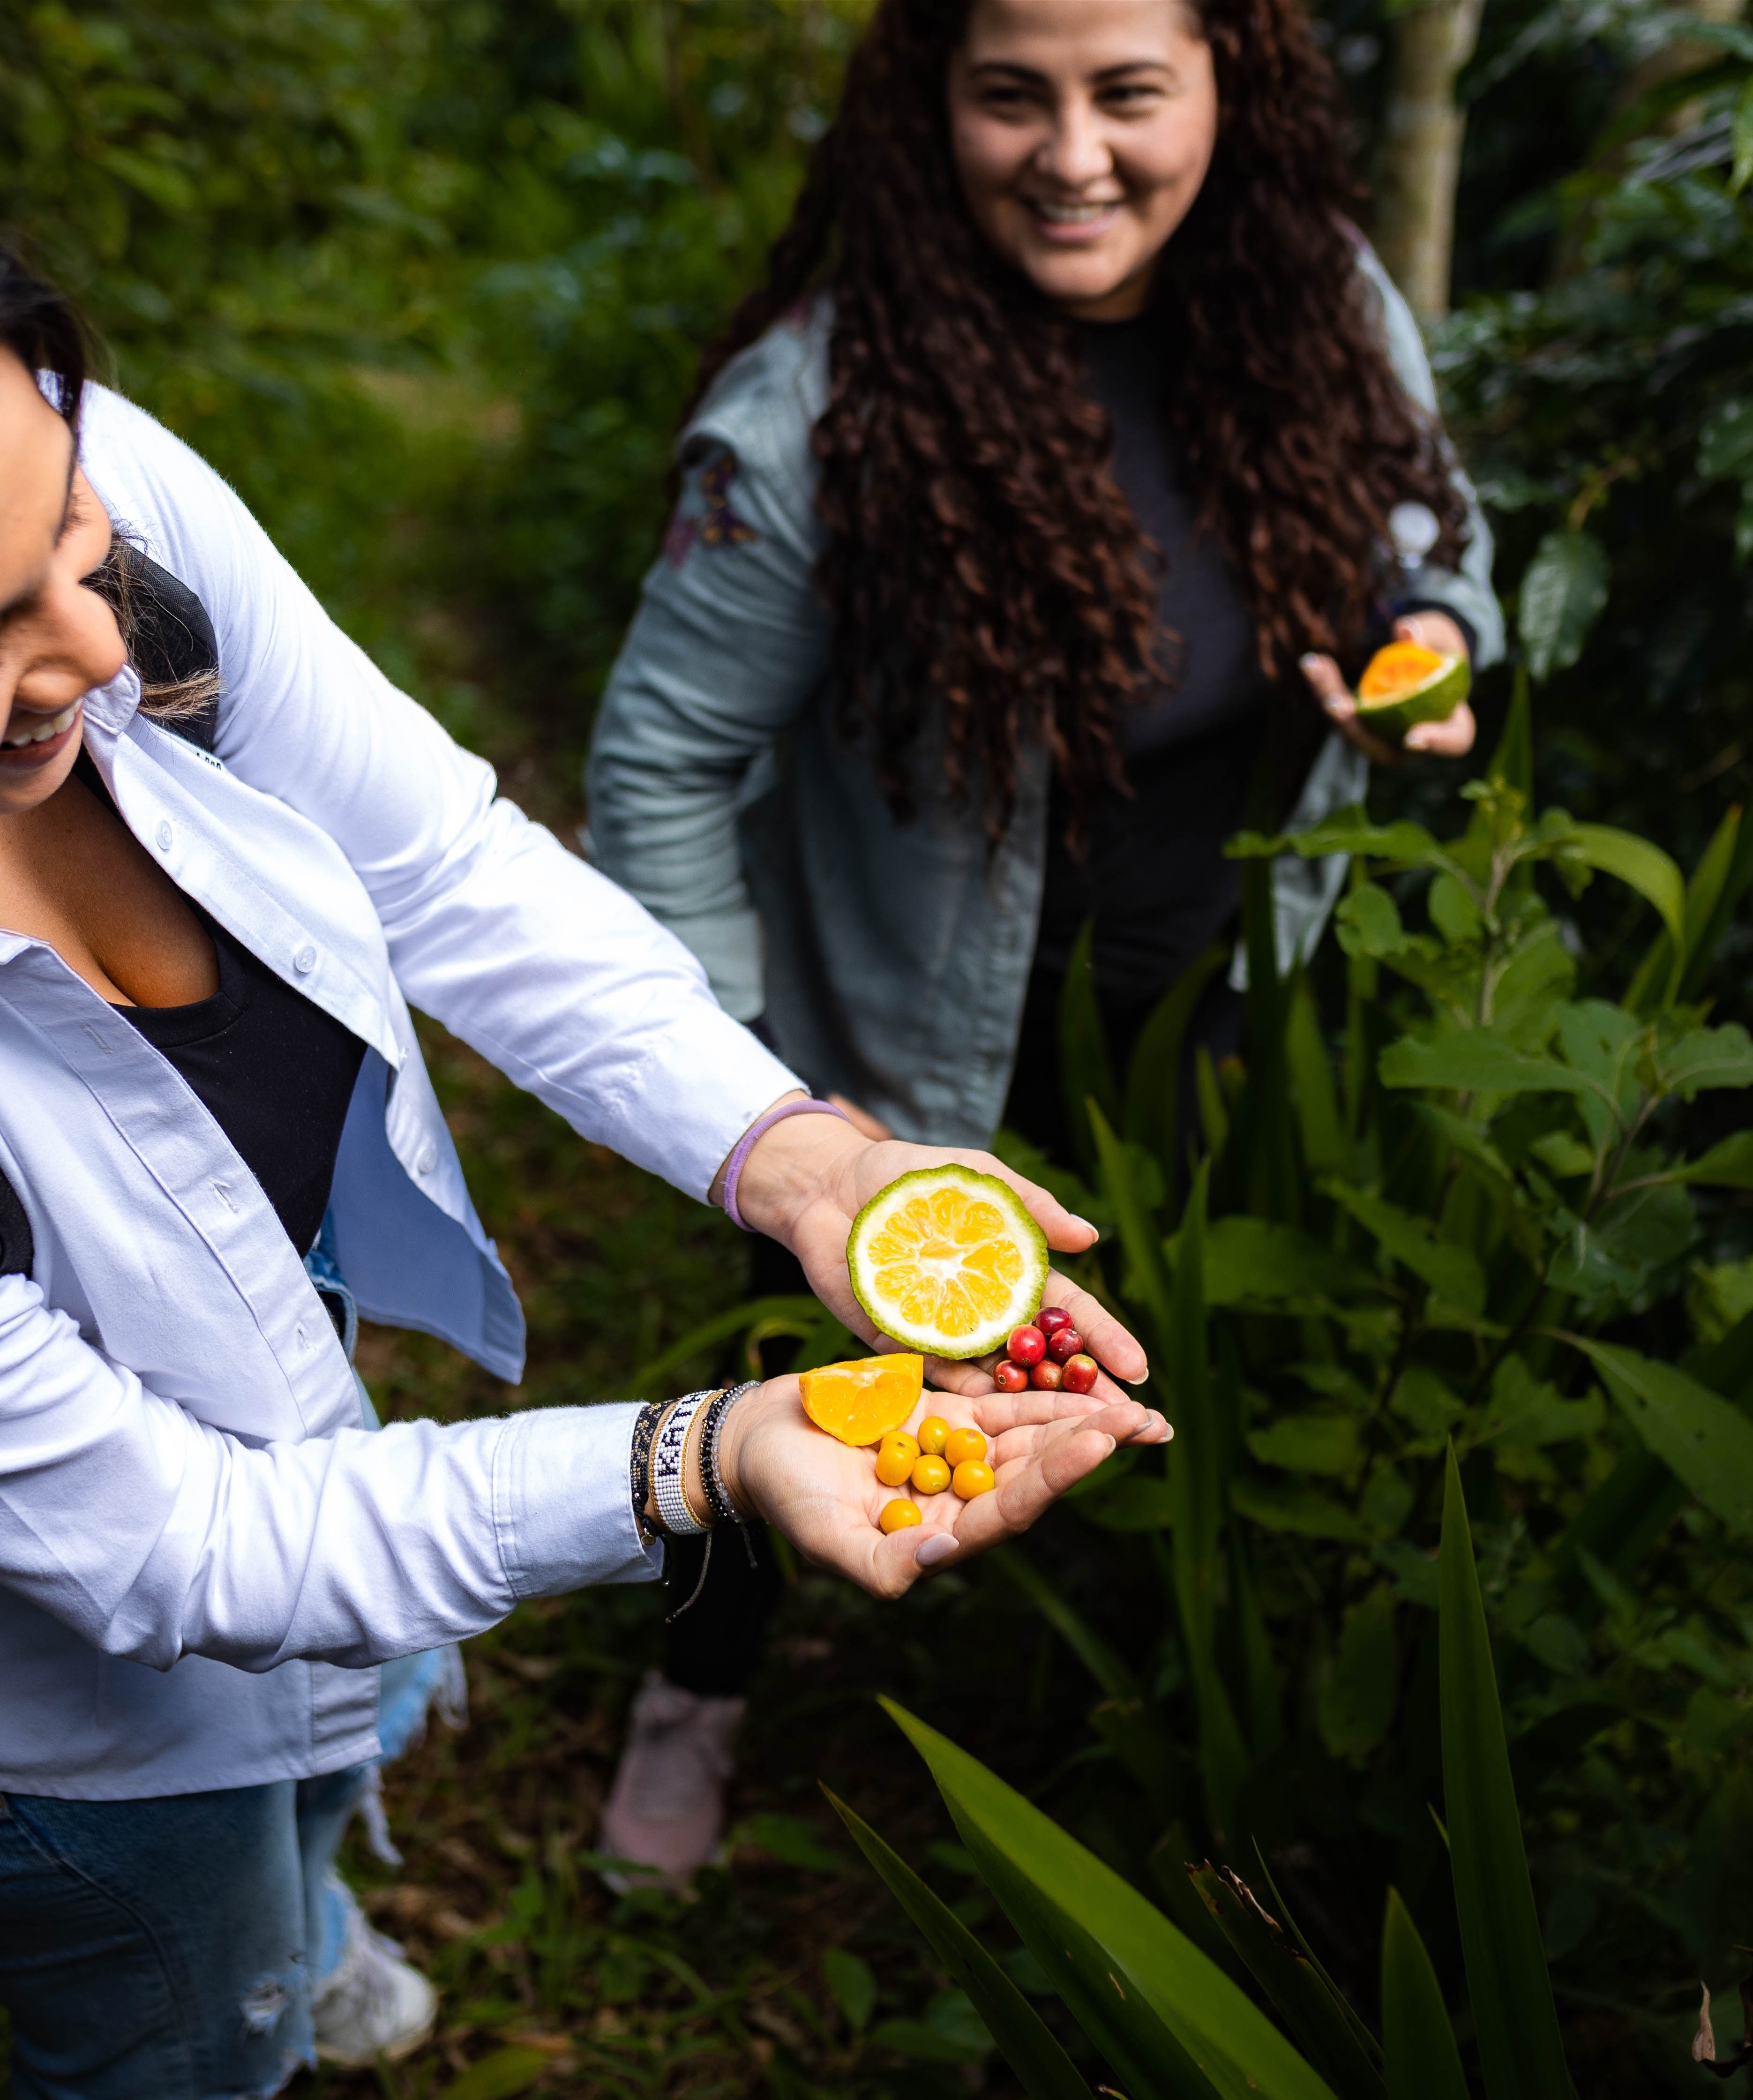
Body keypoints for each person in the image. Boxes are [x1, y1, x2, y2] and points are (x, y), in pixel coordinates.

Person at [0, 189, 1166, 2100]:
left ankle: (311, 1915)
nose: (95, 637)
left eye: (80, 542)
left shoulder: (35, 465)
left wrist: (796, 1151)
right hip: (60, 1721)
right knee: (173, 1992)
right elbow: (191, 1541)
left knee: (329, 1744)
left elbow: (442, 868)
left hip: (279, 1415)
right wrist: (706, 1452)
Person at [584, 0, 1504, 1878]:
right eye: (1013, 95)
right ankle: (696, 1692)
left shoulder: (1313, 302)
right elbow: (659, 758)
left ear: (1224, 96)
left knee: (1122, 1353)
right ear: (932, 112)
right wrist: (748, 1095)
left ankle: (1076, 1691)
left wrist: (1435, 647)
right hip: (889, 1045)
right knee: (787, 1368)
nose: (1073, 155)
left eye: (1127, 93)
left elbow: (1437, 533)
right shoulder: (824, 411)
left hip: (1214, 1002)